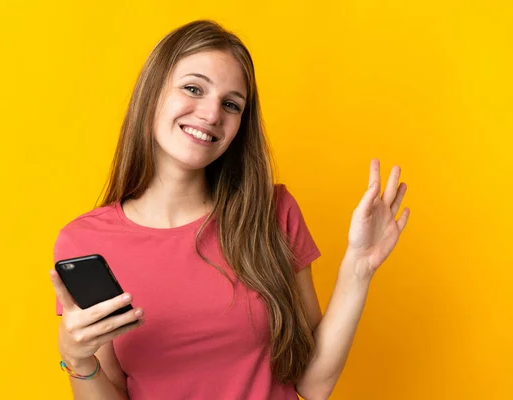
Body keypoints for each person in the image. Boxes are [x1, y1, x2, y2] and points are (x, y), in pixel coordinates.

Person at [49, 19, 410, 400]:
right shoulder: (85, 241)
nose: (210, 114)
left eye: (231, 104)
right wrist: (78, 360)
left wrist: (358, 267)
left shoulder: (272, 213)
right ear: (152, 93)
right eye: (193, 88)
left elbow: (313, 383)